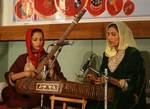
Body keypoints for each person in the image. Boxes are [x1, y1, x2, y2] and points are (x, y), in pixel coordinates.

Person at [86, 21, 146, 109]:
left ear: (122, 36)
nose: (109, 38)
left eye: (113, 34)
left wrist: (111, 80)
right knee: (91, 101)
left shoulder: (132, 53)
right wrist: (96, 79)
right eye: (108, 34)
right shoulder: (107, 54)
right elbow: (103, 75)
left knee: (118, 101)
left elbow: (133, 83)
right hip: (109, 93)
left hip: (125, 95)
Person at [2, 28, 66, 108]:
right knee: (6, 92)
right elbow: (11, 77)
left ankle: (29, 104)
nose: (38, 42)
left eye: (41, 39)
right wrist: (26, 73)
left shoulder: (50, 58)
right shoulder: (22, 58)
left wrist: (52, 70)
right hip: (24, 92)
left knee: (41, 96)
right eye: (35, 40)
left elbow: (61, 80)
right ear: (29, 41)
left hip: (42, 93)